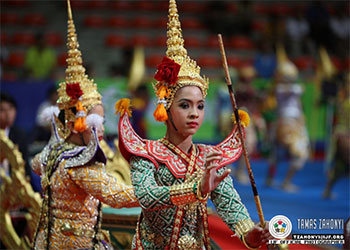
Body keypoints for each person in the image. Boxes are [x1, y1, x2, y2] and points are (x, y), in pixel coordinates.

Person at [115, 0, 271, 249]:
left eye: (200, 106)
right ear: (166, 108)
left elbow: (230, 205)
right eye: (184, 105)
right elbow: (146, 195)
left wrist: (250, 234)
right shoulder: (147, 154)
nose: (194, 114)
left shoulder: (208, 157)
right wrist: (197, 189)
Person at [31, 2, 139, 249]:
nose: (101, 129)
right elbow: (118, 196)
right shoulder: (80, 163)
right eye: (96, 122)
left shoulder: (52, 152)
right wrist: (174, 191)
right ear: (77, 122)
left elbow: (35, 165)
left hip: (46, 241)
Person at [265, 44, 310, 192]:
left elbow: (298, 100)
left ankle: (280, 180)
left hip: (293, 123)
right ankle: (278, 180)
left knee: (282, 155)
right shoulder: (280, 89)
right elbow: (295, 90)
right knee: (291, 154)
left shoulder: (288, 89)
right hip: (284, 124)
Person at [0, 92, 29, 180]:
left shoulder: (20, 135)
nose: (8, 114)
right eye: (2, 110)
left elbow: (25, 166)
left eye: (10, 109)